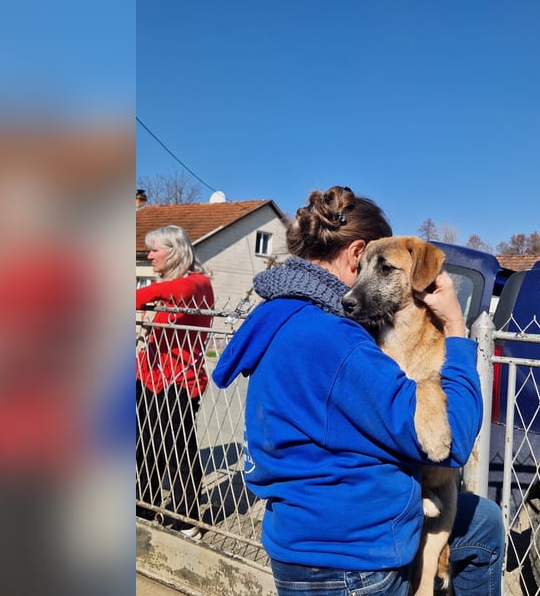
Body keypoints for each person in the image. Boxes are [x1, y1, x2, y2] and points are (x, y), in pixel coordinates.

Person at [212, 186, 504, 595]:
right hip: (353, 559)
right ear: (358, 254)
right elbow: (449, 442)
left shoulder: (280, 315)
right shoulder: (338, 342)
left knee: (484, 520)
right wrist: (456, 329)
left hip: (299, 535)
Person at [136, 225, 214, 539]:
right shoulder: (164, 285)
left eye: (155, 249)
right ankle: (144, 506)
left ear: (175, 251)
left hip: (180, 381)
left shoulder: (197, 282)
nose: (149, 255)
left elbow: (181, 294)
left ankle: (187, 518)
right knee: (144, 445)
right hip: (147, 376)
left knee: (176, 449)